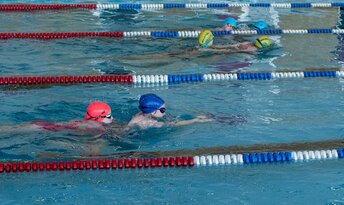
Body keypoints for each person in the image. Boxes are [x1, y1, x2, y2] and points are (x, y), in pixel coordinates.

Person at [1, 101, 113, 135]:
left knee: (11, 129)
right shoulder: (97, 126)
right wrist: (130, 125)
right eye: (109, 116)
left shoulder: (87, 121)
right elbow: (118, 135)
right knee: (10, 131)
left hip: (42, 124)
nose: (112, 118)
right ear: (99, 118)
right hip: (43, 128)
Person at [127, 93, 211, 129]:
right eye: (162, 110)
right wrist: (195, 120)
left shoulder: (142, 114)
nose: (165, 111)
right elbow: (174, 125)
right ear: (153, 112)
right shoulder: (148, 122)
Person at [198, 30, 272, 53]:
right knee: (225, 49)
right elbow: (240, 49)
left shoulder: (250, 43)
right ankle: (207, 48)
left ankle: (209, 47)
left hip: (237, 48)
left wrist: (236, 47)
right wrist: (236, 47)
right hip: (236, 49)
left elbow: (238, 45)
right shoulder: (254, 49)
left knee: (226, 47)